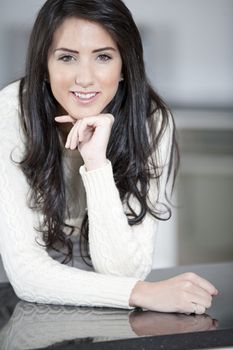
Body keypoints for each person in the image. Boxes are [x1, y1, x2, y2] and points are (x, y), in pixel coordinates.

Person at [0, 0, 218, 314]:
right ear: (43, 68)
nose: (85, 78)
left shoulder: (151, 122)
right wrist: (145, 293)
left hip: (97, 298)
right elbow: (25, 274)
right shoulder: (10, 114)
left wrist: (96, 163)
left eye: (103, 56)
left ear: (124, 66)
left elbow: (126, 274)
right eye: (67, 57)